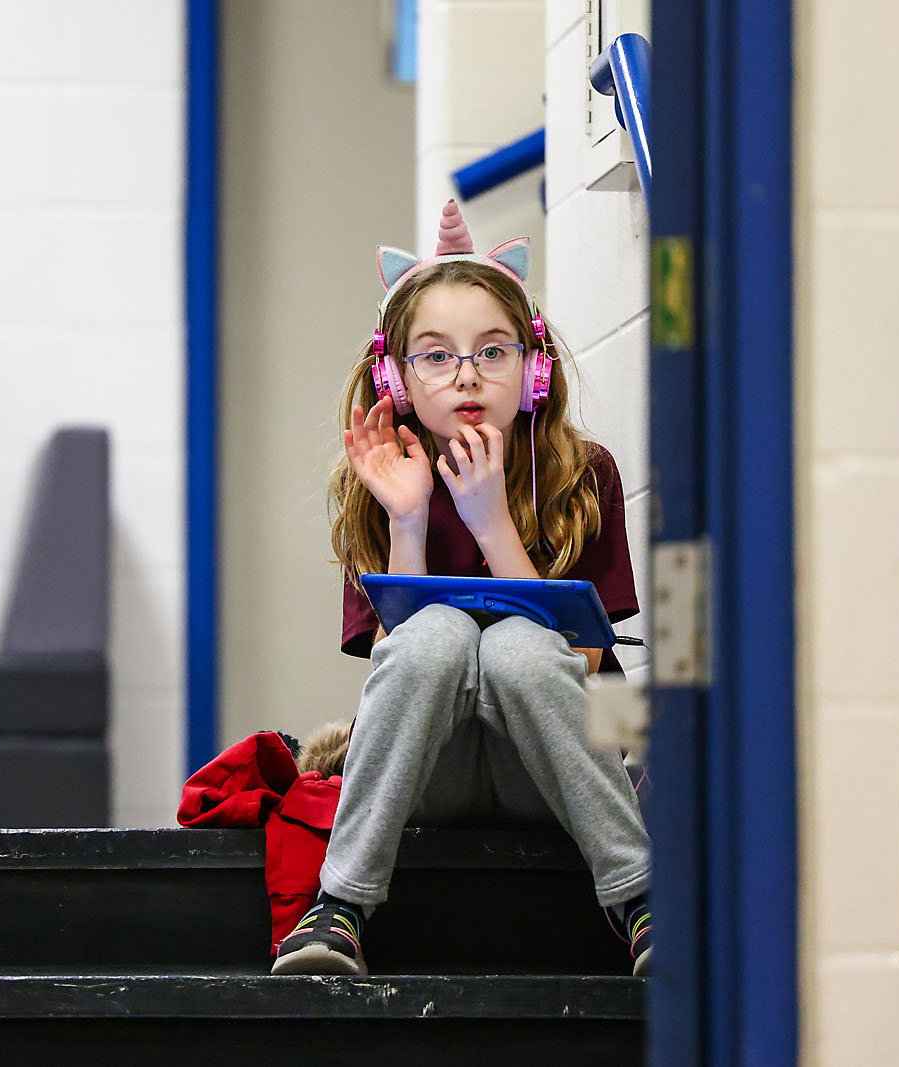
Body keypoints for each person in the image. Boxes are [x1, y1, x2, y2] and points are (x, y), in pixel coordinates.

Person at [271, 200, 651, 976]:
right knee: (436, 634)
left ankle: (644, 900)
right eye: (436, 356)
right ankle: (339, 907)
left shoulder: (585, 474)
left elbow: (584, 667)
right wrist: (407, 518)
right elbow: (394, 665)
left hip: (557, 769)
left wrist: (491, 524)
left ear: (533, 367)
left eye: (493, 352)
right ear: (396, 378)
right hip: (429, 772)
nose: (468, 375)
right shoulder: (375, 484)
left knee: (518, 645)